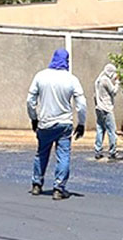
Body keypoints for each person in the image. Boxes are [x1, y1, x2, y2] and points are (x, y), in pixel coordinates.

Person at [27, 49, 87, 200]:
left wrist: (34, 118)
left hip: (45, 123)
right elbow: (81, 104)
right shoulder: (71, 79)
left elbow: (30, 101)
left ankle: (36, 184)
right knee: (63, 156)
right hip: (64, 124)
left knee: (41, 153)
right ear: (66, 61)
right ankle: (59, 188)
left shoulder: (41, 76)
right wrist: (81, 123)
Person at [93, 63, 122, 161]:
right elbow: (113, 91)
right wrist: (117, 82)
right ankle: (113, 152)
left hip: (99, 108)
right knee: (112, 131)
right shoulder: (106, 80)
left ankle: (98, 151)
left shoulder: (98, 80)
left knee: (100, 129)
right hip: (106, 108)